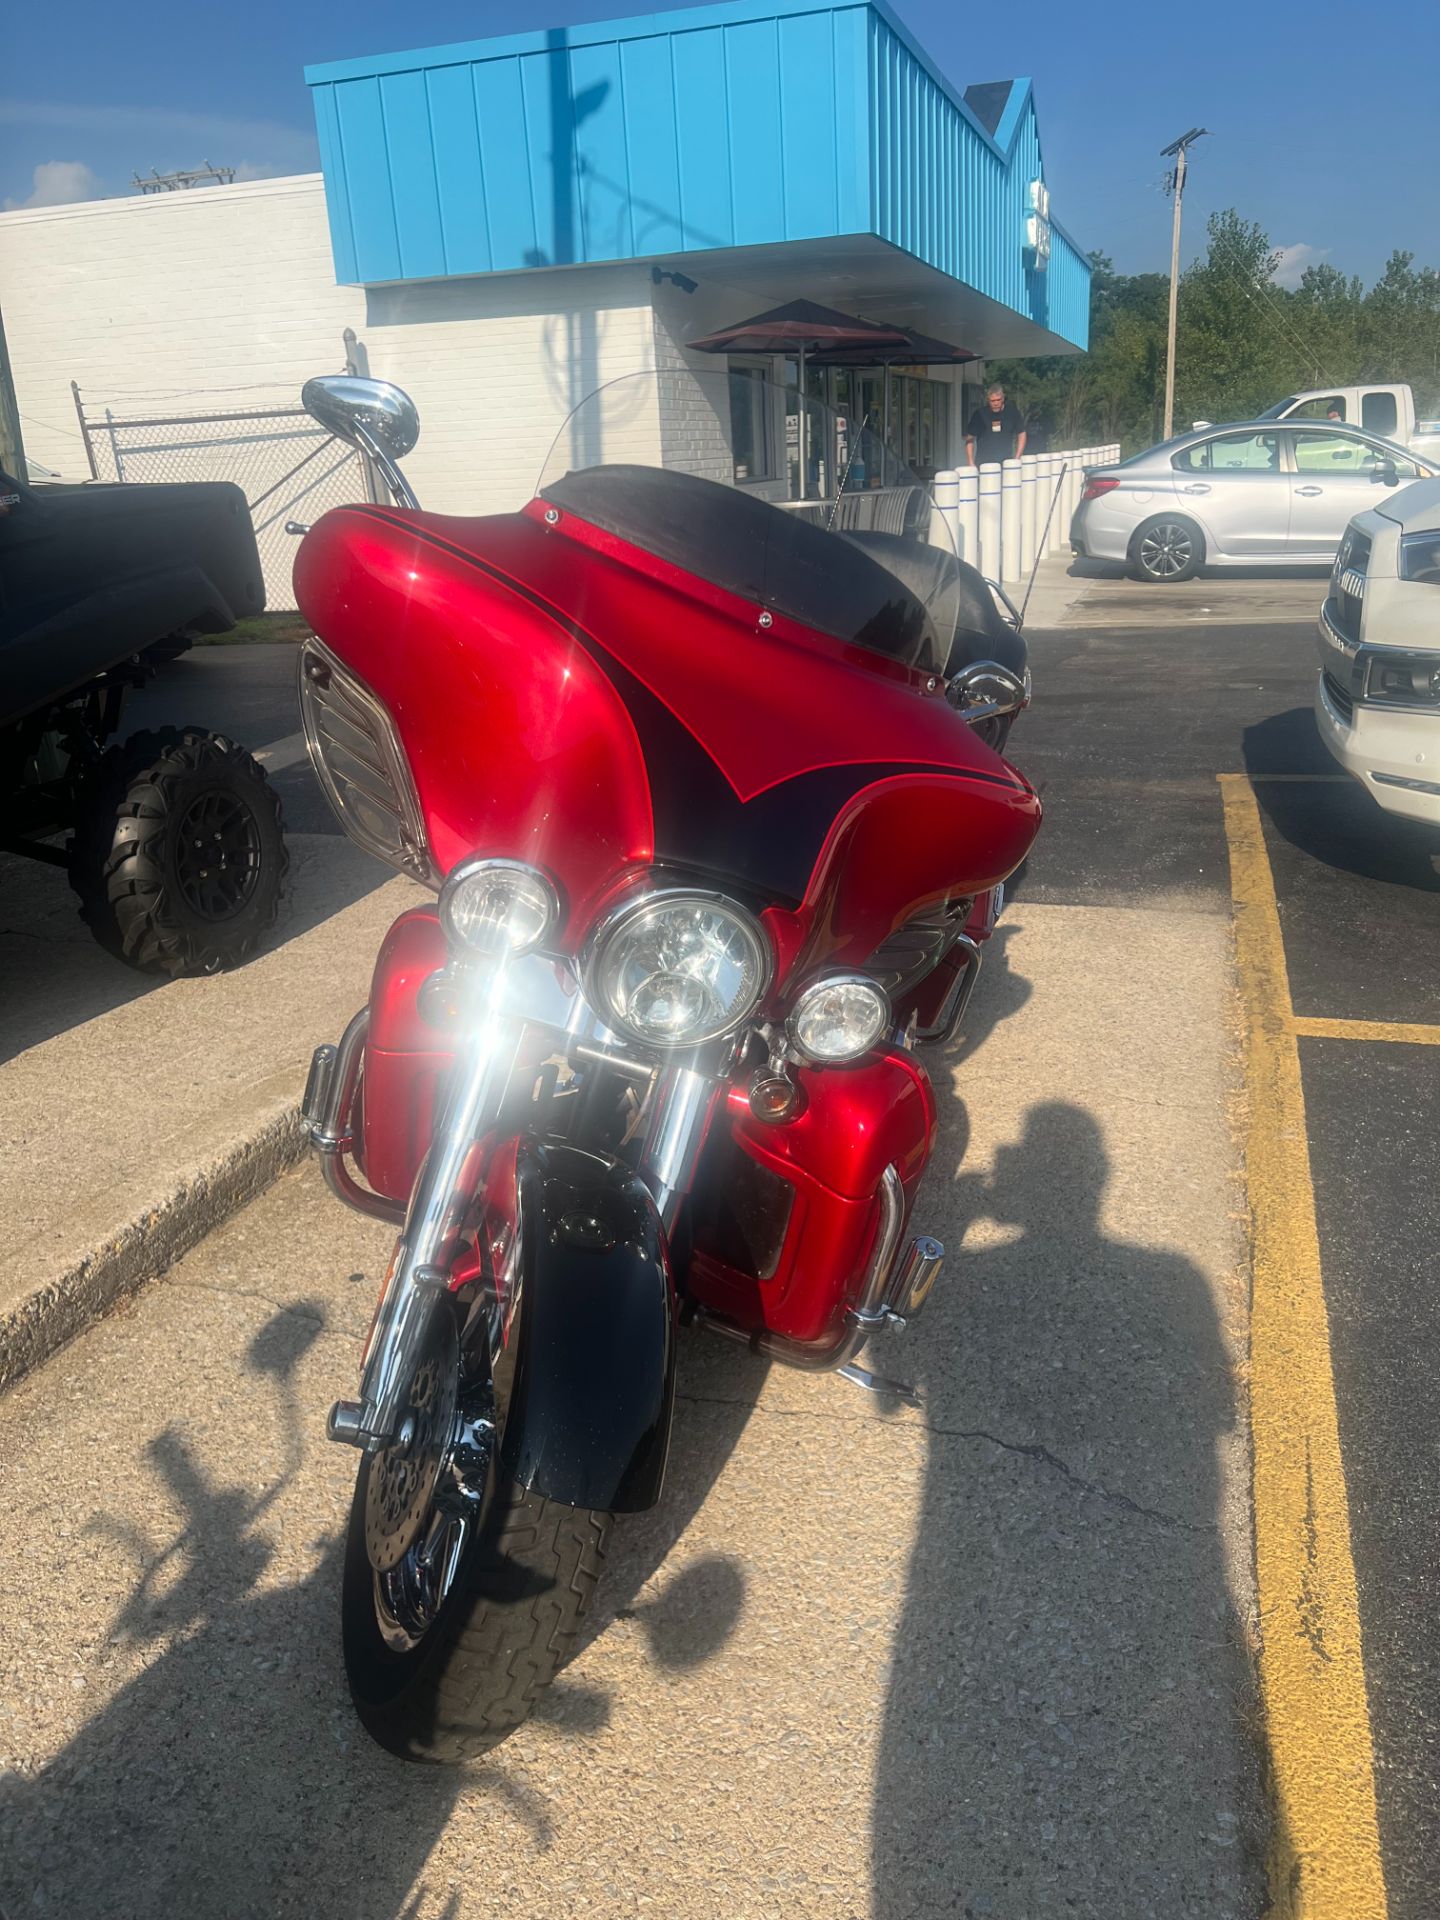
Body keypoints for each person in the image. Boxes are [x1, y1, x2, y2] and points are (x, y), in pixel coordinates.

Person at [965, 384, 1027, 466]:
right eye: (992, 401)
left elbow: (1022, 433)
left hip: (1006, 464)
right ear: (988, 400)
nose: (996, 403)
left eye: (998, 400)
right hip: (983, 464)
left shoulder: (1012, 413)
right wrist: (970, 462)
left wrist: (1017, 457)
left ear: (1003, 398)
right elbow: (970, 438)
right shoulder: (979, 414)